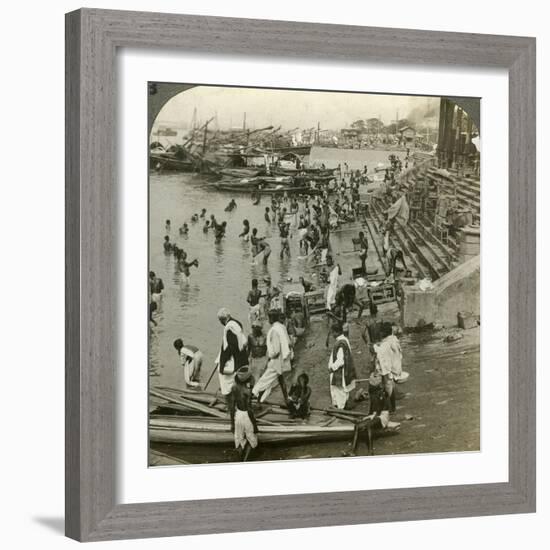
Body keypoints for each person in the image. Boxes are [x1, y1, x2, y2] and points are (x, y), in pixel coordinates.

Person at [252, 309, 292, 404]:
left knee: (264, 380)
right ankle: (286, 398)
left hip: (277, 361)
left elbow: (276, 350)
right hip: (283, 359)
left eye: (269, 318)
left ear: (271, 318)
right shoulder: (281, 327)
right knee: (276, 380)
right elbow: (289, 343)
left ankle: (254, 396)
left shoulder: (274, 330)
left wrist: (271, 357)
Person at [215, 308, 249, 405]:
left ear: (222, 320)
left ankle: (231, 404)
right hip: (242, 357)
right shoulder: (237, 323)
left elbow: (231, 347)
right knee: (238, 381)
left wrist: (223, 361)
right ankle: (239, 401)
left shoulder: (229, 328)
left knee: (225, 379)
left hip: (234, 360)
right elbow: (243, 341)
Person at [230, 366, 259, 461]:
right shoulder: (247, 391)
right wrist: (254, 425)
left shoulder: (234, 388)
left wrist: (232, 424)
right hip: (247, 416)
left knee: (239, 439)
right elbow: (249, 409)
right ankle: (245, 460)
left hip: (238, 415)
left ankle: (239, 458)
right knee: (252, 439)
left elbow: (231, 407)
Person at [328, 323, 357, 410]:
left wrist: (332, 367)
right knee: (342, 389)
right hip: (345, 368)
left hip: (340, 370)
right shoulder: (344, 339)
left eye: (333, 332)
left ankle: (341, 407)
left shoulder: (340, 343)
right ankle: (343, 403)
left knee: (339, 389)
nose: (332, 334)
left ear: (336, 332)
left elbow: (341, 360)